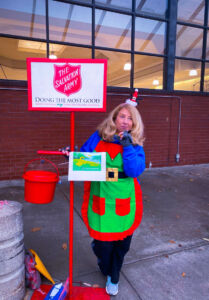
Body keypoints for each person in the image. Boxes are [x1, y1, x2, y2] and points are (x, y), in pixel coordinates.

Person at [80, 99, 145, 296]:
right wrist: (72, 157)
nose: (125, 121)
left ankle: (114, 275)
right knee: (103, 246)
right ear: (114, 118)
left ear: (134, 124)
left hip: (125, 197)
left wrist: (127, 147)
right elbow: (84, 158)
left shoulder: (135, 144)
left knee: (122, 244)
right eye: (122, 116)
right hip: (101, 196)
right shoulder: (99, 137)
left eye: (130, 119)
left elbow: (134, 170)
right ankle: (105, 262)